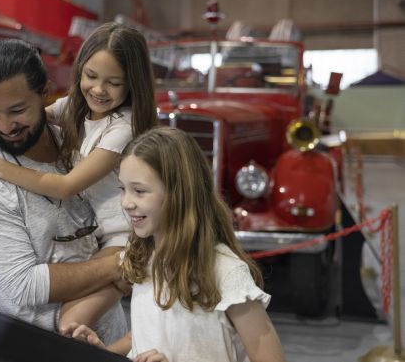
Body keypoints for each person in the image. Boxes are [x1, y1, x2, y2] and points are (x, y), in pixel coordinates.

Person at [0, 23, 157, 329]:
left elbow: (64, 186)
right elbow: (22, 286)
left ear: (43, 95)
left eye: (18, 110)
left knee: (80, 321)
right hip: (40, 341)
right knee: (72, 325)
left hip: (123, 235)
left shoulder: (110, 128)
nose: (7, 126)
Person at [63, 127, 286, 362]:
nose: (127, 203)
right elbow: (150, 332)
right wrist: (103, 353)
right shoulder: (141, 254)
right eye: (123, 189)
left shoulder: (226, 272)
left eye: (139, 191)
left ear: (179, 193)